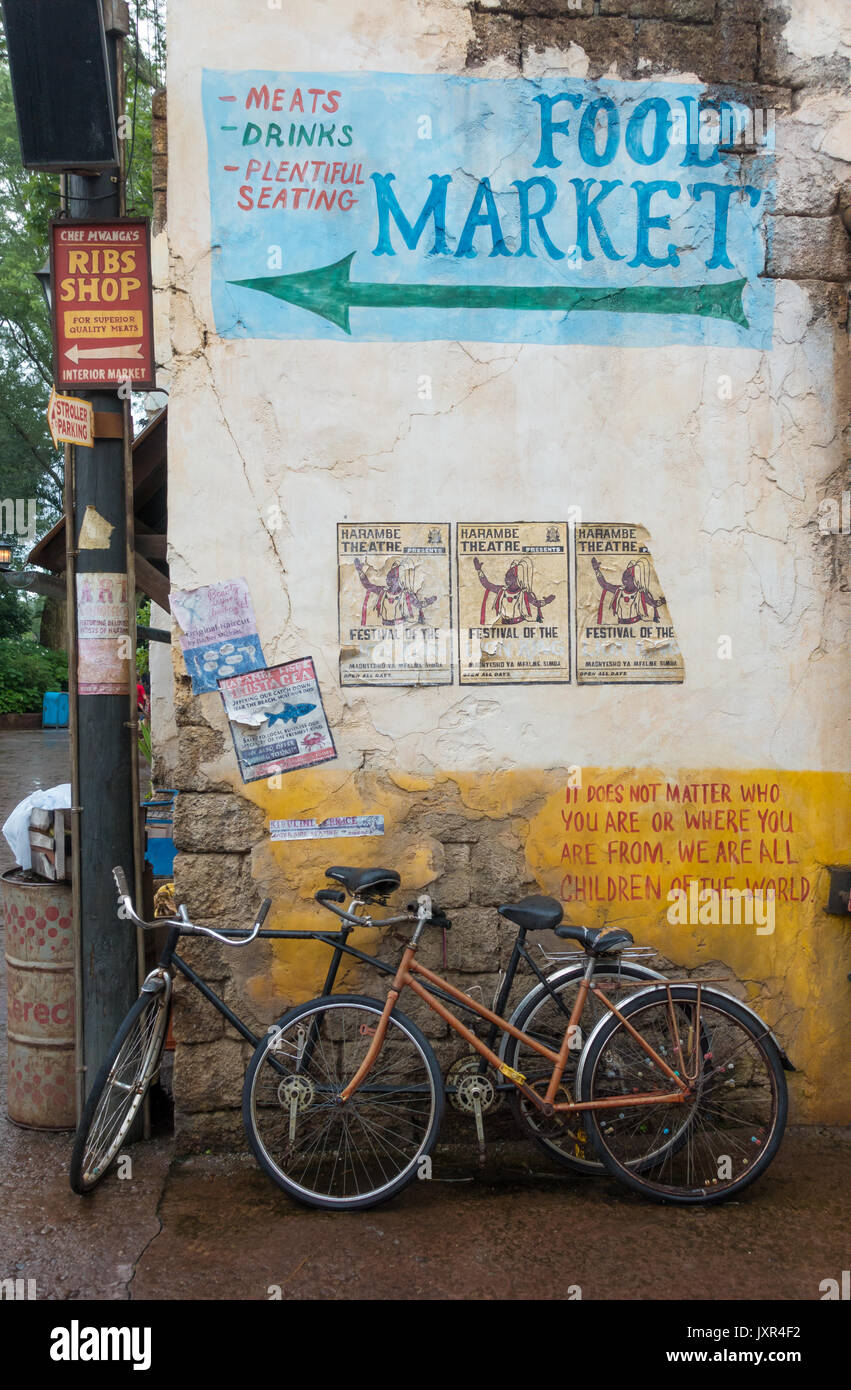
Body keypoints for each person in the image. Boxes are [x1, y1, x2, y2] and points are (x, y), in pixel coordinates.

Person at [473, 555, 555, 625]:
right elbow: (487, 584)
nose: (506, 579)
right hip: (504, 625)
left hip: (519, 625)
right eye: (506, 576)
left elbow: (536, 603)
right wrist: (479, 570)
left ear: (517, 578)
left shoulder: (523, 594)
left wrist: (547, 601)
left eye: (510, 576)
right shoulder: (502, 590)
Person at [354, 557, 437, 625]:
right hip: (385, 626)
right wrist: (360, 571)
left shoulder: (405, 594)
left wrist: (428, 602)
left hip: (400, 627)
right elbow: (368, 585)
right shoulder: (383, 591)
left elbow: (418, 604)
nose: (388, 580)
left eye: (392, 578)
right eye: (388, 578)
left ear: (398, 580)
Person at [591, 556, 665, 624]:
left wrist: (663, 601)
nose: (624, 579)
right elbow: (604, 585)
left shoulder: (640, 593)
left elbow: (653, 603)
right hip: (620, 625)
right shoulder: (619, 590)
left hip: (636, 625)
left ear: (636, 579)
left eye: (628, 576)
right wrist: (597, 570)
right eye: (624, 576)